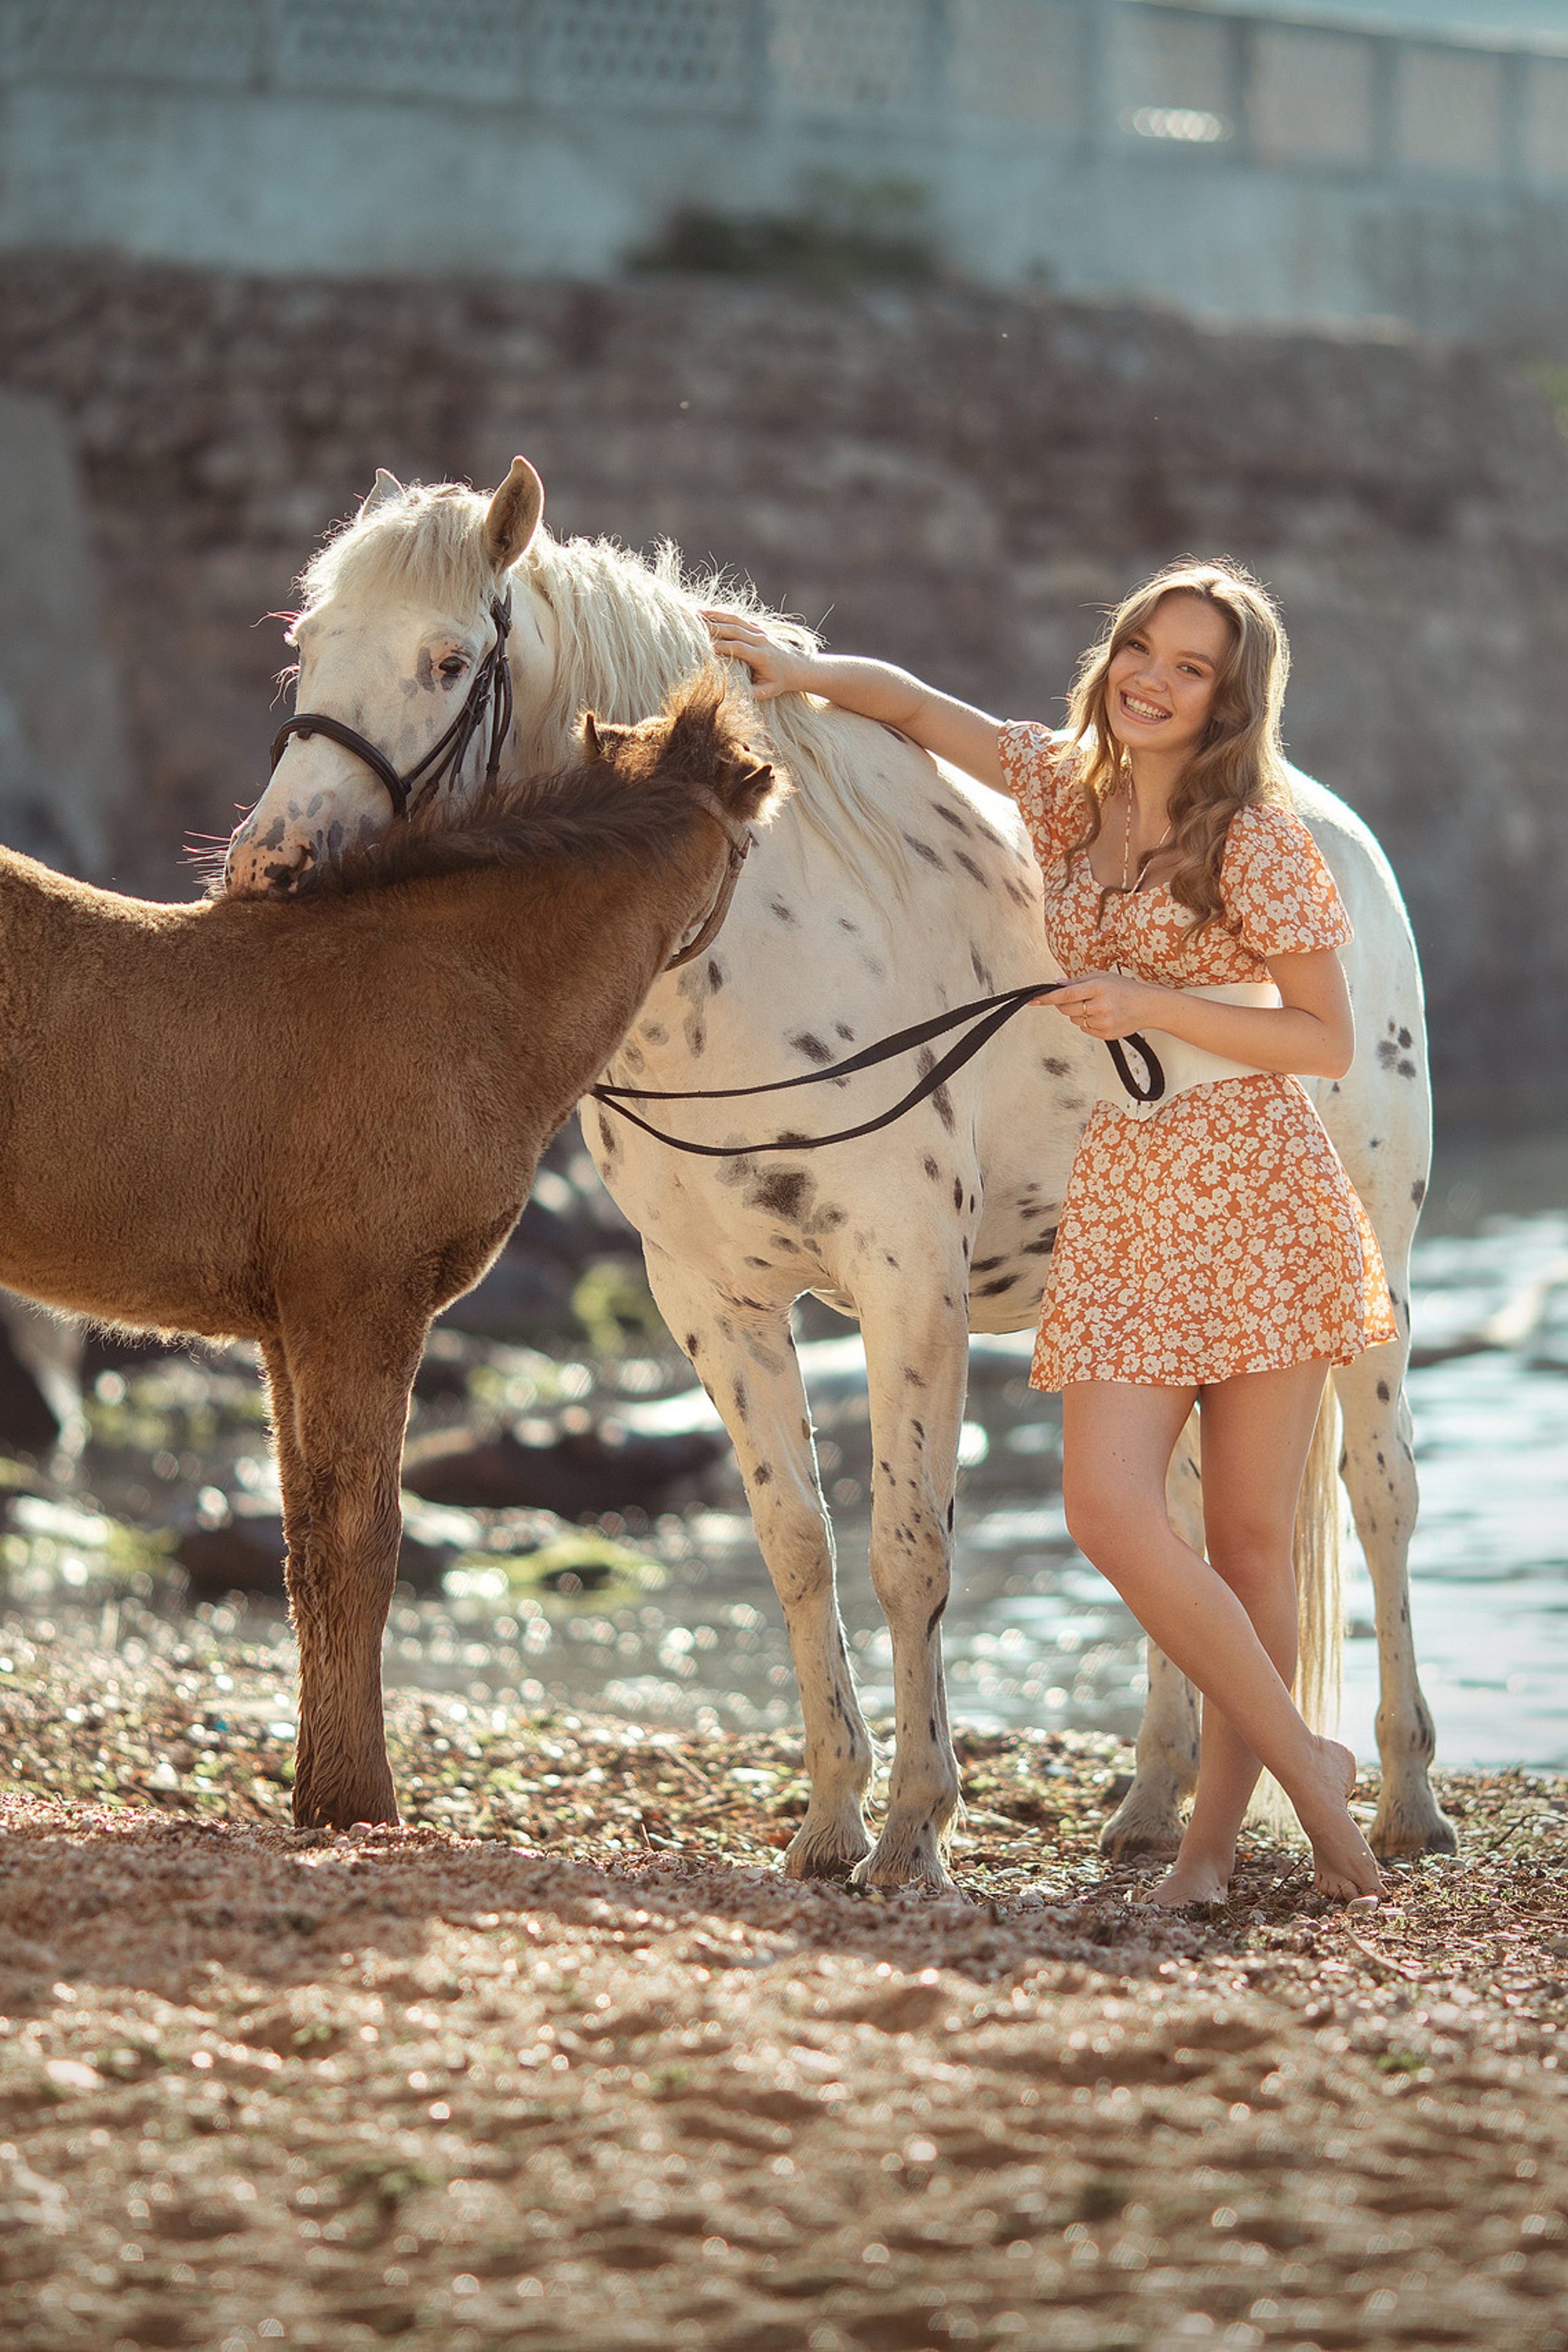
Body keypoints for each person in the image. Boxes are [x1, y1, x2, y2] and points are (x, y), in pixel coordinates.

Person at [704, 560, 1393, 1904]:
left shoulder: (1255, 836)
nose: (1150, 675)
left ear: (1227, 700)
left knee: (1250, 1546)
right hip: (1131, 1187)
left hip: (1257, 1187)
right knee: (1106, 1510)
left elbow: (1323, 1035)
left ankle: (1210, 1851)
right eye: (1141, 645)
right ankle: (1313, 1769)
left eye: (1188, 666)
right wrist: (796, 675)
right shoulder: (1064, 792)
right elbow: (913, 710)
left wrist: (1149, 998)